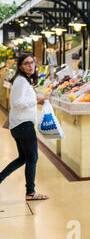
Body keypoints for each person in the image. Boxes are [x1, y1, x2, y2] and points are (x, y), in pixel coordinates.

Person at [0, 53, 49, 201]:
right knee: (32, 158)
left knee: (23, 158)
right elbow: (17, 103)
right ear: (20, 66)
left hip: (20, 125)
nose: (31, 66)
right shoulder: (21, 81)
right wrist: (36, 101)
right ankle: (30, 192)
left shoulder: (24, 80)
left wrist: (35, 100)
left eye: (32, 62)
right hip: (23, 126)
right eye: (27, 63)